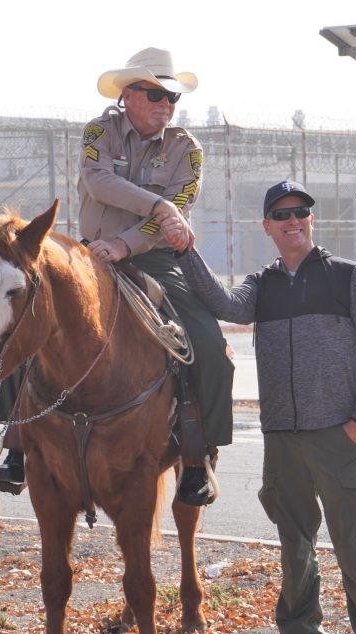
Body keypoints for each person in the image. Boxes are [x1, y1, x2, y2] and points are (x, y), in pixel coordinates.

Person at [162, 181, 356, 634]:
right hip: (282, 442)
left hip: (337, 439)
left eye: (301, 212)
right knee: (295, 554)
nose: (292, 221)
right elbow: (223, 302)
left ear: (311, 221)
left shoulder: (346, 278)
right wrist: (185, 250)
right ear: (267, 227)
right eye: (281, 214)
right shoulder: (262, 286)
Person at [78, 47, 234, 506]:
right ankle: (17, 444)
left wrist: (128, 242)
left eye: (172, 97)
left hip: (156, 259)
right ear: (128, 94)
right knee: (28, 317)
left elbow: (173, 218)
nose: (166, 104)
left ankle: (198, 457)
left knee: (209, 346)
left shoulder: (188, 149)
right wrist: (158, 204)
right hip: (92, 255)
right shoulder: (97, 132)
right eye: (155, 94)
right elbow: (96, 181)